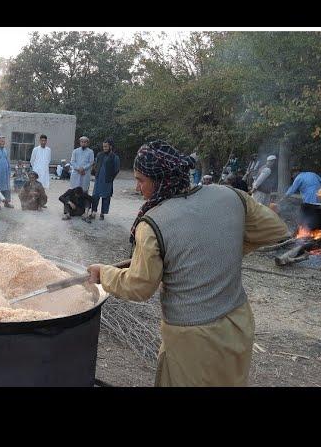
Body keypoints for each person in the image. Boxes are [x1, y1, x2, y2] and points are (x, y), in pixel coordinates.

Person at [87, 140, 289, 387]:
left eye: (141, 180)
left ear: (161, 179)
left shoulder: (152, 224)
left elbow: (139, 286)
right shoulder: (229, 195)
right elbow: (273, 229)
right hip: (237, 323)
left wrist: (104, 273)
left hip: (191, 336)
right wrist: (219, 249)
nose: (137, 188)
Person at [90, 139, 120, 220]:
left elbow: (116, 169)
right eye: (103, 146)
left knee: (106, 197)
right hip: (98, 179)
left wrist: (111, 178)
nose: (104, 148)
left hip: (107, 180)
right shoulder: (99, 155)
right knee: (95, 196)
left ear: (111, 146)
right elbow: (95, 164)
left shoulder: (115, 157)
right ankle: (93, 212)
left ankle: (102, 213)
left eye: (106, 146)